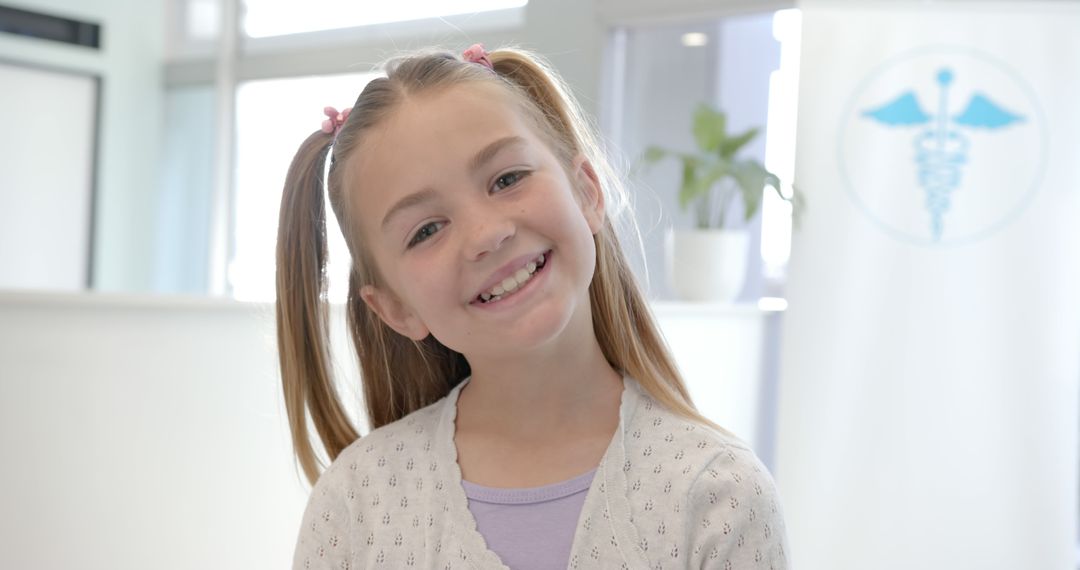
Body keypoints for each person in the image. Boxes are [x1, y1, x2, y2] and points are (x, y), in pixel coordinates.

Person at [276, 43, 789, 569]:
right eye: (426, 230)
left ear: (586, 190)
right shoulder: (358, 502)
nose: (487, 234)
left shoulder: (717, 494)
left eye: (507, 179)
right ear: (393, 309)